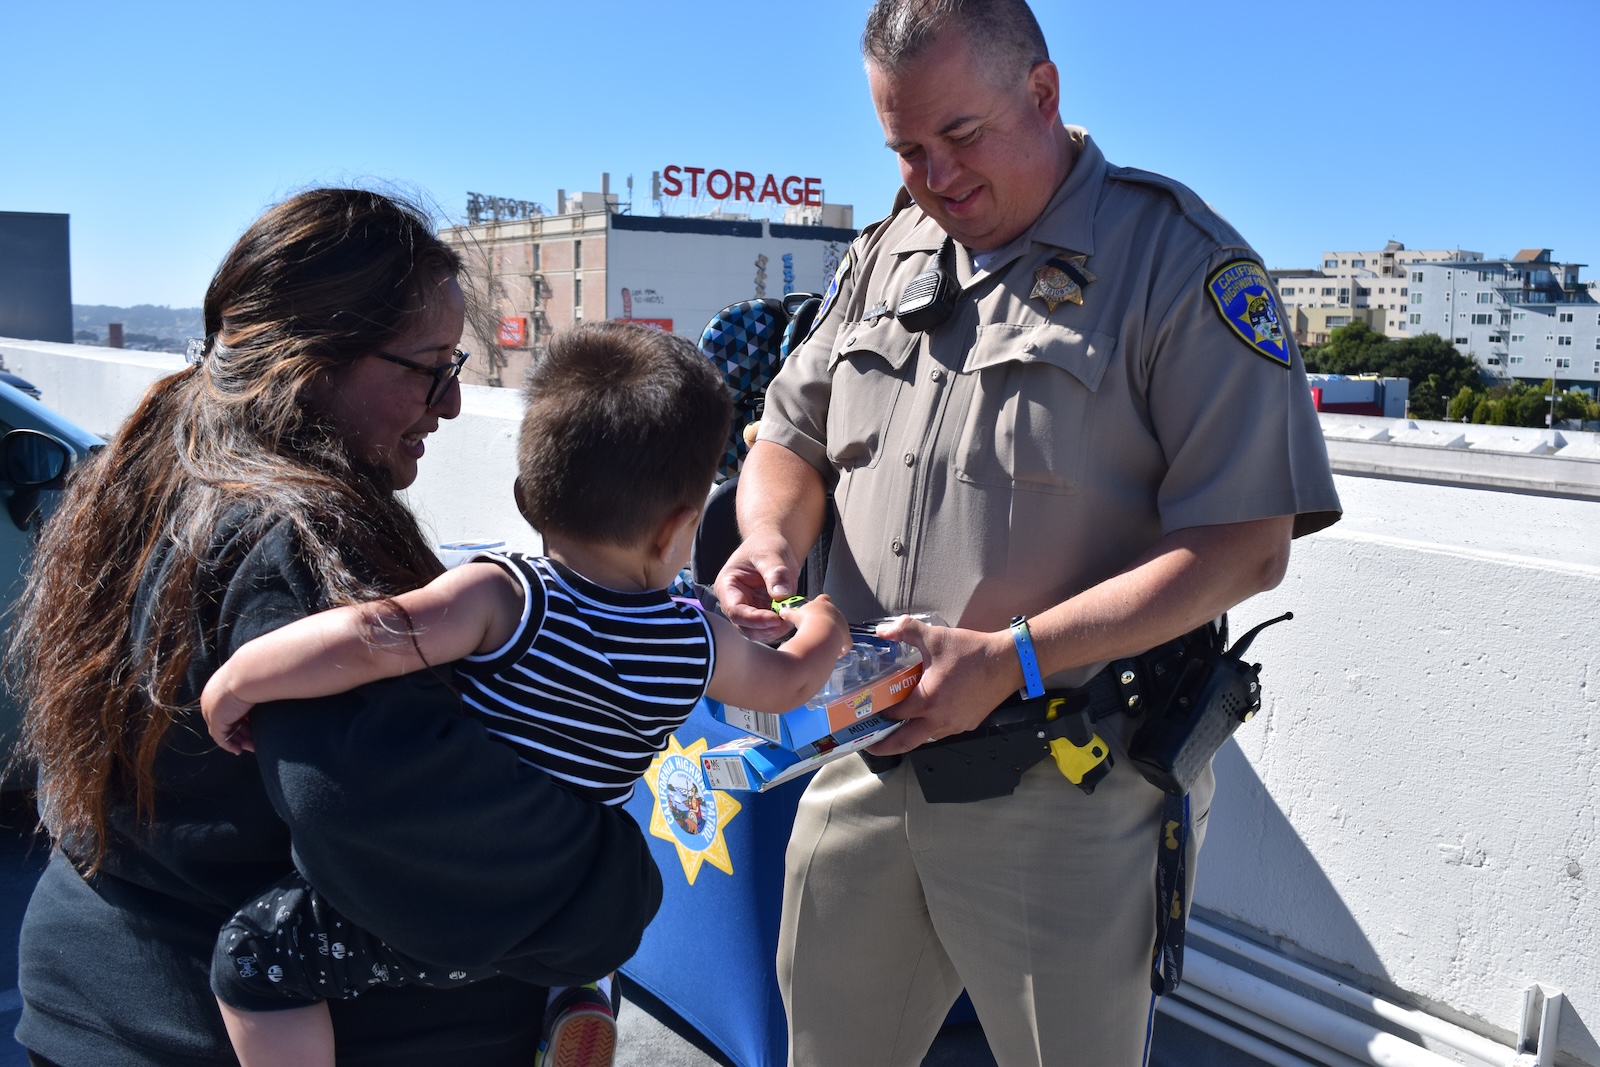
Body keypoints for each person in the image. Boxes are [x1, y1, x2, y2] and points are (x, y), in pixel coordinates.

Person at [712, 2, 1344, 1065]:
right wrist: (768, 544)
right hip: (860, 758)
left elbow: (1246, 544)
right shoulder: (885, 252)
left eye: (960, 136)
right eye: (906, 149)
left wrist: (1011, 659)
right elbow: (788, 437)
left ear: (1042, 94)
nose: (934, 175)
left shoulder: (1174, 265)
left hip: (1065, 787)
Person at [10, 189, 663, 1067]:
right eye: (430, 367)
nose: (453, 404)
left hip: (98, 991)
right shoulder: (296, 539)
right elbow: (385, 819)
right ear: (310, 363)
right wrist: (616, 883)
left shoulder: (155, 472)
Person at [195, 321, 852, 1067]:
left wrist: (239, 678)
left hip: (421, 902)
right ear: (679, 523)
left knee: (251, 959)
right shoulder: (696, 645)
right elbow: (793, 678)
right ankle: (577, 992)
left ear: (526, 496)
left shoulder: (505, 595)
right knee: (597, 872)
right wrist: (828, 616)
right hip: (555, 912)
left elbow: (366, 636)